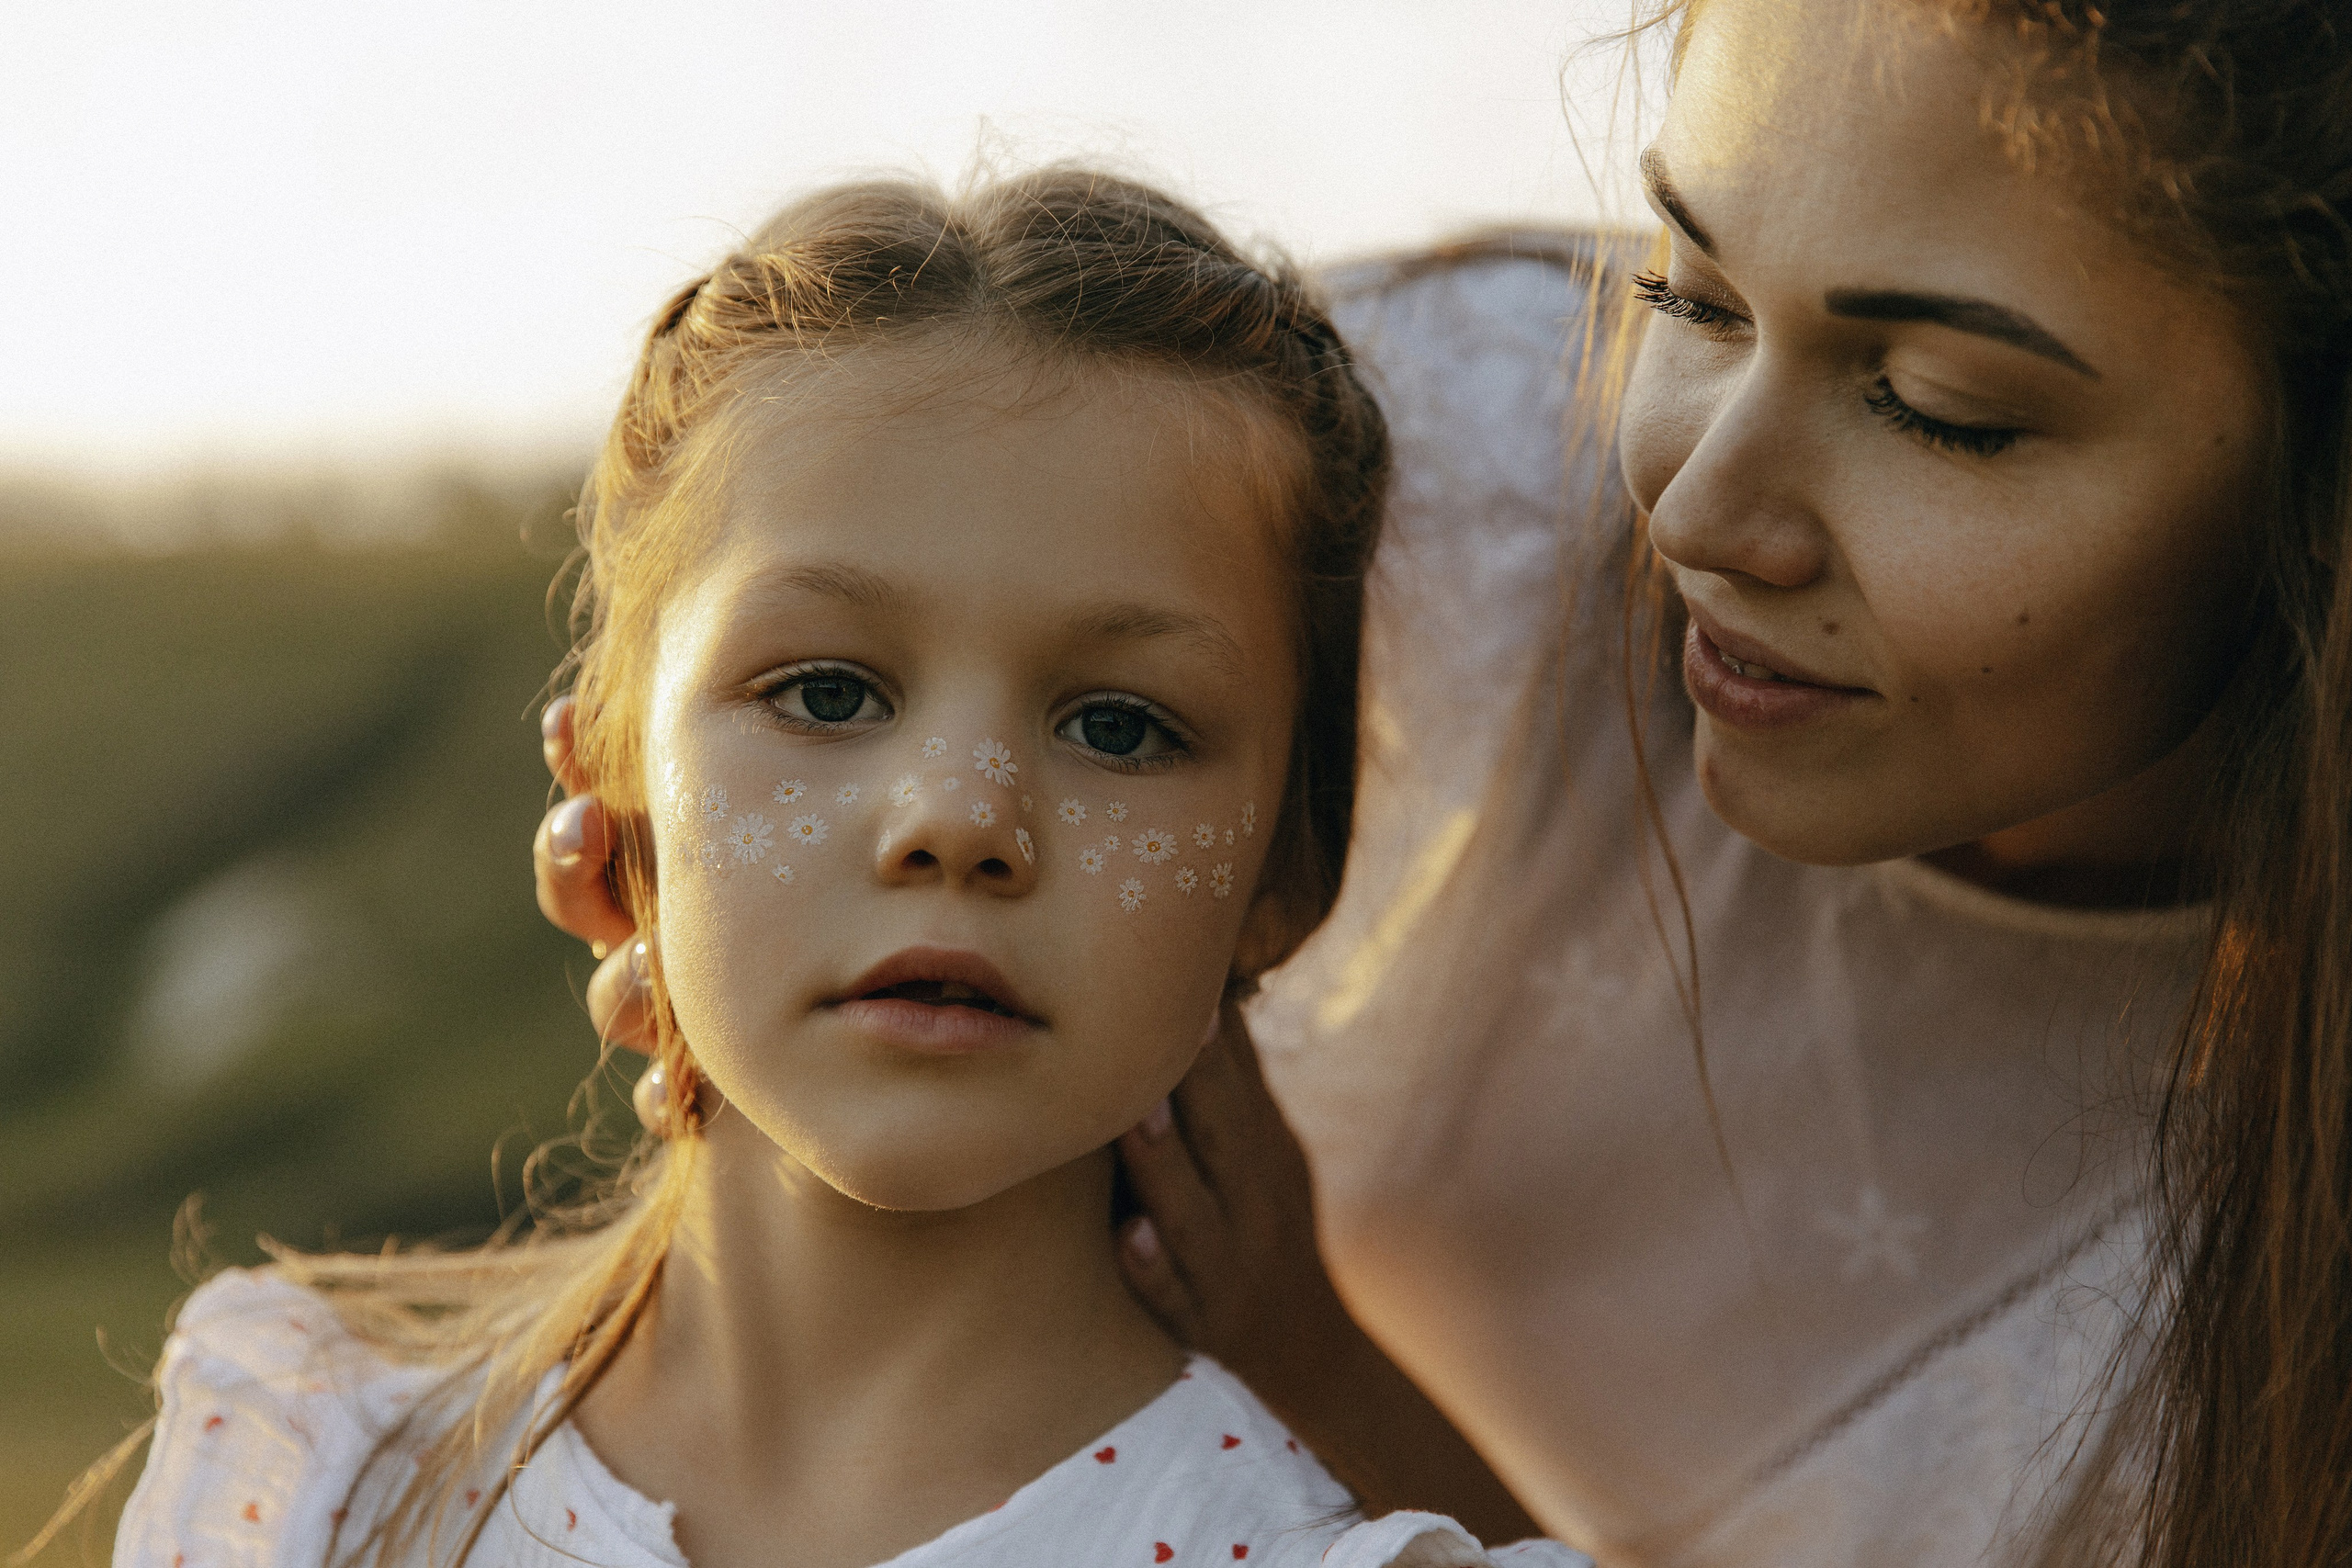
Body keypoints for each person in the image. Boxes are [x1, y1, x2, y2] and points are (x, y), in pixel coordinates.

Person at [526, 2, 2351, 1563]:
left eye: (1939, 401)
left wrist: (1313, 1372)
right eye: (1689, 293)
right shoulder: (1432, 499)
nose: (1692, 509)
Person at [95, 168, 1591, 1568]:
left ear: (1290, 865)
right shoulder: (310, 1485)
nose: (960, 818)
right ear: (613, 780)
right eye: (826, 693)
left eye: (1121, 725)